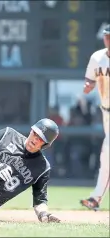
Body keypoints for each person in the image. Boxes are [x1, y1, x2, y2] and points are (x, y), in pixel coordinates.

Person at [80, 24, 110, 211]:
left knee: (107, 154)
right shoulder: (97, 57)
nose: (108, 39)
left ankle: (96, 198)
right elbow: (89, 80)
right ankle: (96, 197)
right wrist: (88, 86)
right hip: (106, 112)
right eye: (107, 36)